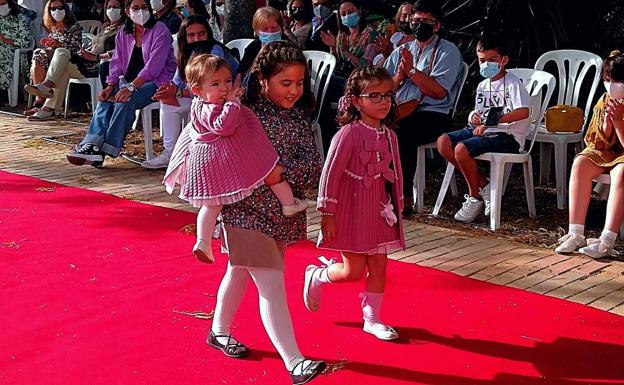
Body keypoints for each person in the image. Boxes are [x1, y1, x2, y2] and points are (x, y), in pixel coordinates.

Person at [197, 41, 325, 384]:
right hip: (244, 211)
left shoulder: (298, 116)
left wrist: (280, 174)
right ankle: (295, 362)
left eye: (300, 83)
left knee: (239, 270)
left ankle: (219, 331)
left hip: (282, 212)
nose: (295, 91)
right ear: (264, 80)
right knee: (271, 283)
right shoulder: (239, 114)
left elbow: (312, 163)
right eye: (286, 83)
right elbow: (219, 155)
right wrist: (263, 174)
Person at [163, 53, 308, 263]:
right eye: (215, 84)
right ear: (197, 90)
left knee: (212, 205)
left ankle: (203, 241)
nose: (224, 88)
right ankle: (287, 203)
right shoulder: (210, 107)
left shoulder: (200, 104)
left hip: (212, 161)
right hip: (216, 162)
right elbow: (225, 126)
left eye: (227, 81)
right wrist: (232, 103)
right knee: (267, 167)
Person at [303, 66, 405, 341]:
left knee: (380, 264)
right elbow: (331, 173)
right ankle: (318, 276)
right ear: (357, 100)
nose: (383, 102)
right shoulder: (348, 134)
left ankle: (372, 319)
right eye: (374, 96)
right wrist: (327, 212)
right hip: (352, 209)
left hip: (379, 209)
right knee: (353, 270)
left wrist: (398, 204)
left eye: (387, 95)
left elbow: (395, 174)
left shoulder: (390, 136)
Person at [65, 0, 176, 167]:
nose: (140, 12)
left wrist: (132, 87)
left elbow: (155, 65)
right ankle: (92, 143)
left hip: (157, 81)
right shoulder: (124, 32)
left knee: (125, 100)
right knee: (106, 99)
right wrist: (110, 85)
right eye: (136, 8)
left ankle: (104, 149)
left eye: (144, 8)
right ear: (128, 10)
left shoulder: (160, 30)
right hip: (128, 82)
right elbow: (116, 62)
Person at [435, 35, 529, 223]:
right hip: (484, 130)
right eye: (482, 60)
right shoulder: (482, 85)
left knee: (461, 149)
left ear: (504, 60)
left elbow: (523, 111)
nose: (487, 64)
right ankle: (483, 185)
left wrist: (494, 122)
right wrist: (473, 117)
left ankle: (474, 196)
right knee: (443, 142)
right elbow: (479, 112)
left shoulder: (513, 83)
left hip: (507, 135)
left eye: (492, 60)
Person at [384, 0, 463, 219]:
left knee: (401, 133)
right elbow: (384, 86)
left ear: (436, 25)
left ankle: (403, 198)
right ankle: (373, 194)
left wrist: (410, 71)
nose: (419, 25)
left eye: (425, 22)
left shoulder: (448, 51)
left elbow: (438, 91)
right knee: (370, 127)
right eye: (415, 20)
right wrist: (399, 76)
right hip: (400, 109)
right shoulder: (402, 49)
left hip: (434, 113)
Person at [141, 15, 238, 169]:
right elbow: (177, 81)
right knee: (166, 101)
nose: (197, 38)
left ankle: (190, 153)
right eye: (191, 35)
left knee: (174, 98)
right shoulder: (185, 52)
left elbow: (212, 88)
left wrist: (177, 92)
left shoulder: (214, 52)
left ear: (208, 34)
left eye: (202, 33)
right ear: (184, 37)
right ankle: (171, 153)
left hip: (222, 99)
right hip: (199, 97)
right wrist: (167, 91)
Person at [555, 50, 624, 259]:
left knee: (621, 172)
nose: (612, 85)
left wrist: (619, 122)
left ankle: (607, 240)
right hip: (606, 153)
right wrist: (606, 124)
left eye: (617, 80)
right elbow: (594, 142)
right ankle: (576, 232)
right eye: (608, 79)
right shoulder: (604, 101)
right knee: (581, 162)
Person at [24, 0, 125, 120]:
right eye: (109, 7)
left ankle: (47, 87)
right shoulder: (105, 27)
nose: (112, 10)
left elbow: (122, 52)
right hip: (85, 61)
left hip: (99, 66)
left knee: (61, 51)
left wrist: (97, 57)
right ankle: (48, 109)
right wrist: (87, 53)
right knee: (57, 63)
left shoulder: (124, 29)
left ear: (123, 9)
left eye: (116, 7)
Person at [25, 0, 81, 116]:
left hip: (71, 61)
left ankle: (44, 91)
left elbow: (76, 49)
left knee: (59, 52)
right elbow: (52, 47)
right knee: (38, 54)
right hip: (55, 61)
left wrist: (57, 45)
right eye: (53, 9)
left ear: (66, 9)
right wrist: (49, 44)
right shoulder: (53, 28)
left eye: (60, 8)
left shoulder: (74, 26)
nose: (57, 11)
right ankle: (40, 99)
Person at [237, 6, 294, 77]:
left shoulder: (289, 48)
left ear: (281, 29)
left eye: (274, 28)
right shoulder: (253, 47)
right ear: (257, 31)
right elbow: (241, 72)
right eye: (265, 29)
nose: (270, 32)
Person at [0, 0, 32, 100]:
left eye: (3, 3)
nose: (1, 6)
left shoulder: (21, 18)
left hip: (14, 50)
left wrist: (6, 40)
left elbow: (26, 40)